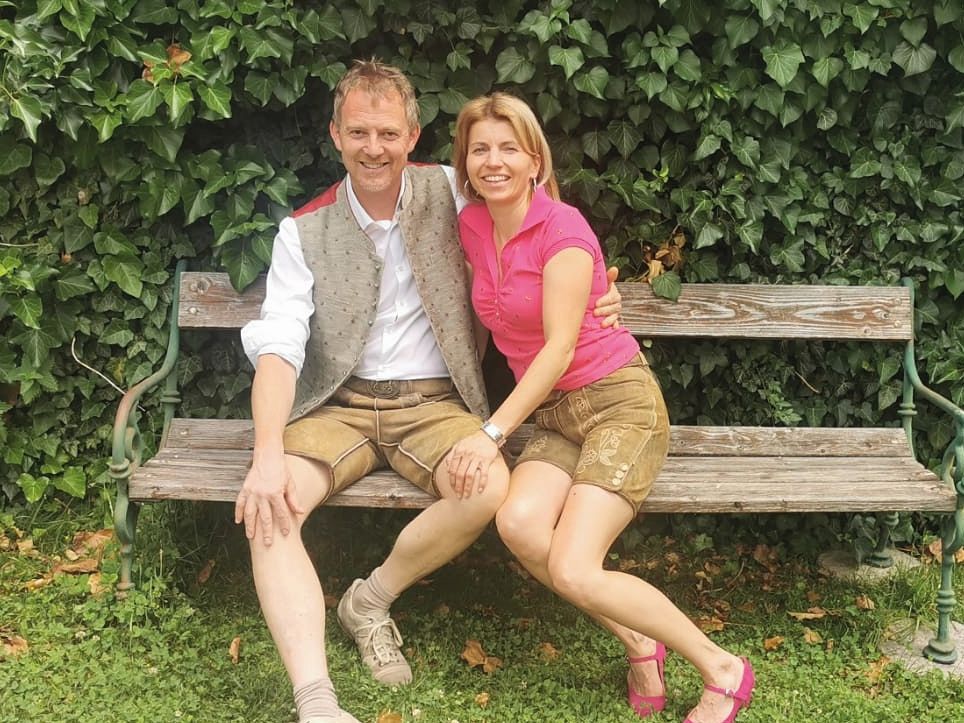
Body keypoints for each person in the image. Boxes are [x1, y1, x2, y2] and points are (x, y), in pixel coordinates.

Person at [236, 62, 622, 723]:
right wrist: (267, 451)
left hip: (434, 403)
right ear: (335, 135)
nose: (374, 148)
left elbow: (543, 229)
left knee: (487, 486)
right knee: (272, 504)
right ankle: (316, 701)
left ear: (412, 136)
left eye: (388, 133)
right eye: (359, 132)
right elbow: (279, 346)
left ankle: (369, 600)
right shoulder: (303, 230)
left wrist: (601, 294)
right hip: (338, 404)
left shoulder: (455, 192)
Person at [449, 92, 755, 723]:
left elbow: (559, 348)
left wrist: (491, 432)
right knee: (519, 525)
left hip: (618, 403)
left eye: (509, 148)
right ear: (465, 162)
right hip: (557, 412)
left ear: (535, 160)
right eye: (480, 149)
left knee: (573, 567)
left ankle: (722, 667)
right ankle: (638, 642)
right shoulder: (473, 224)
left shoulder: (562, 230)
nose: (493, 161)